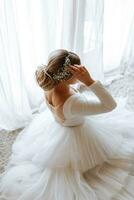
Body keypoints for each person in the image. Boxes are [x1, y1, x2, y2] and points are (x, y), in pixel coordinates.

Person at [0, 49, 134, 200]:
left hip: (58, 125)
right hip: (75, 132)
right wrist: (89, 81)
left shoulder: (49, 83)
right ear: (71, 75)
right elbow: (110, 105)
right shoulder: (74, 102)